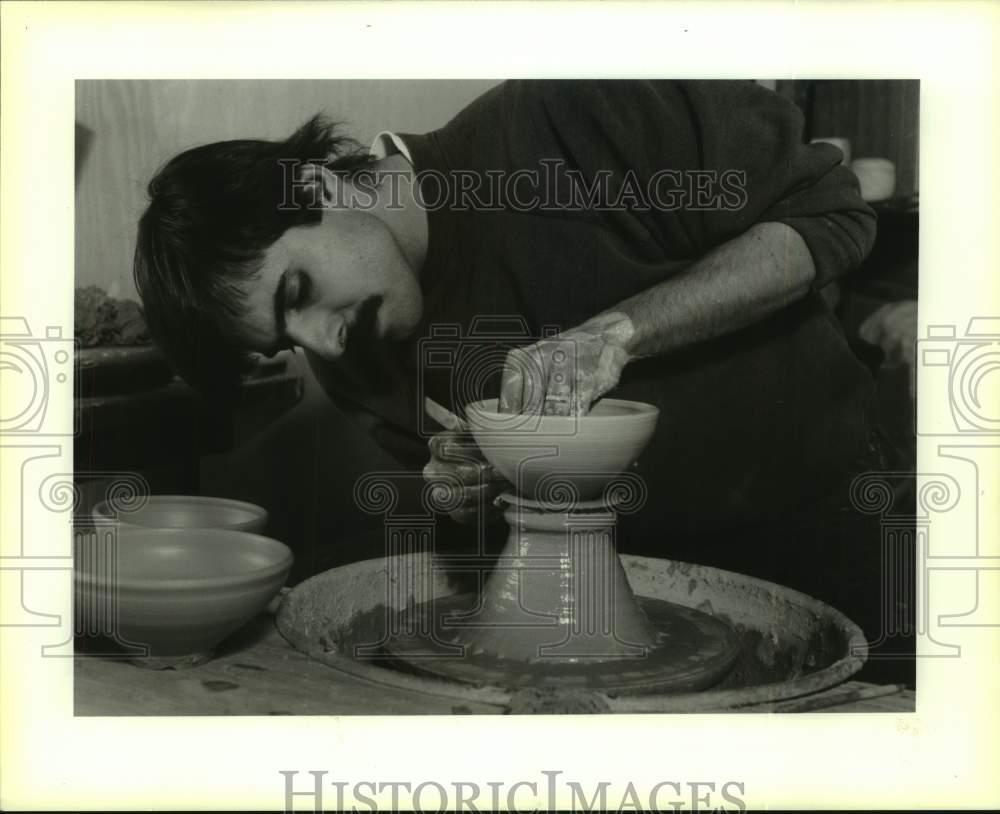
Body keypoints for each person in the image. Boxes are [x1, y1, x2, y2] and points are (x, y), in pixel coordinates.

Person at [134, 80, 911, 680]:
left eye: (296, 295)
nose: (323, 345)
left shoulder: (574, 110)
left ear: (316, 187)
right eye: (286, 343)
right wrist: (463, 496)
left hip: (824, 536)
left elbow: (831, 216)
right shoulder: (358, 351)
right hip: (609, 621)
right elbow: (484, 540)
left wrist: (620, 333)